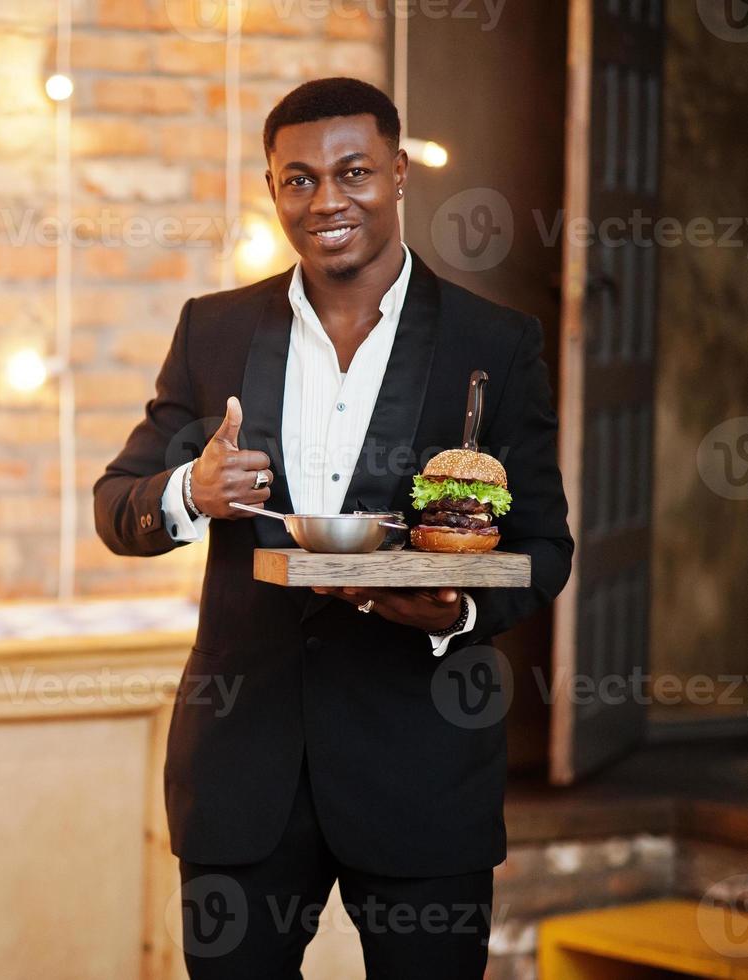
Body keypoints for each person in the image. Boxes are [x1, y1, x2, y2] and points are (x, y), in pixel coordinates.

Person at [93, 77, 574, 979]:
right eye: (298, 179)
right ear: (272, 188)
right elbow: (117, 507)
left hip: (422, 775)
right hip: (241, 778)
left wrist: (456, 614)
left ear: (397, 174)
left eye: (352, 172)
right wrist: (189, 492)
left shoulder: (494, 345)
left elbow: (545, 548)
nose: (326, 200)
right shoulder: (214, 331)